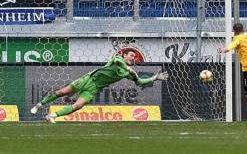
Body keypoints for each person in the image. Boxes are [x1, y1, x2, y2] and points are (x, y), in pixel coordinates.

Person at [31, 49, 168, 123]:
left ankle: (52, 116)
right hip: (88, 79)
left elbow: (139, 82)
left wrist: (154, 78)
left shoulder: (128, 73)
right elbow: (117, 61)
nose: (133, 58)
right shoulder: (118, 60)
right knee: (62, 92)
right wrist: (128, 68)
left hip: (94, 88)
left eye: (135, 57)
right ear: (125, 55)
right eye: (131, 55)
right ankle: (39, 105)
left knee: (78, 106)